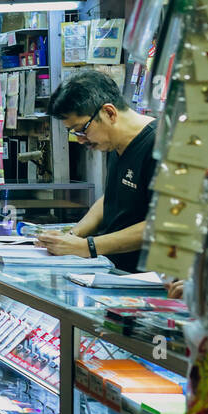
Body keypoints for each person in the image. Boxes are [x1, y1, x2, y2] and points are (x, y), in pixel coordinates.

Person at [37, 70, 156, 273]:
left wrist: (88, 247)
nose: (81, 140)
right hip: (115, 273)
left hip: (148, 282)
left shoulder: (159, 145)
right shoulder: (115, 144)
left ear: (109, 113)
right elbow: (111, 198)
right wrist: (73, 236)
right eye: (75, 133)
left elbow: (162, 227)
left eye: (82, 129)